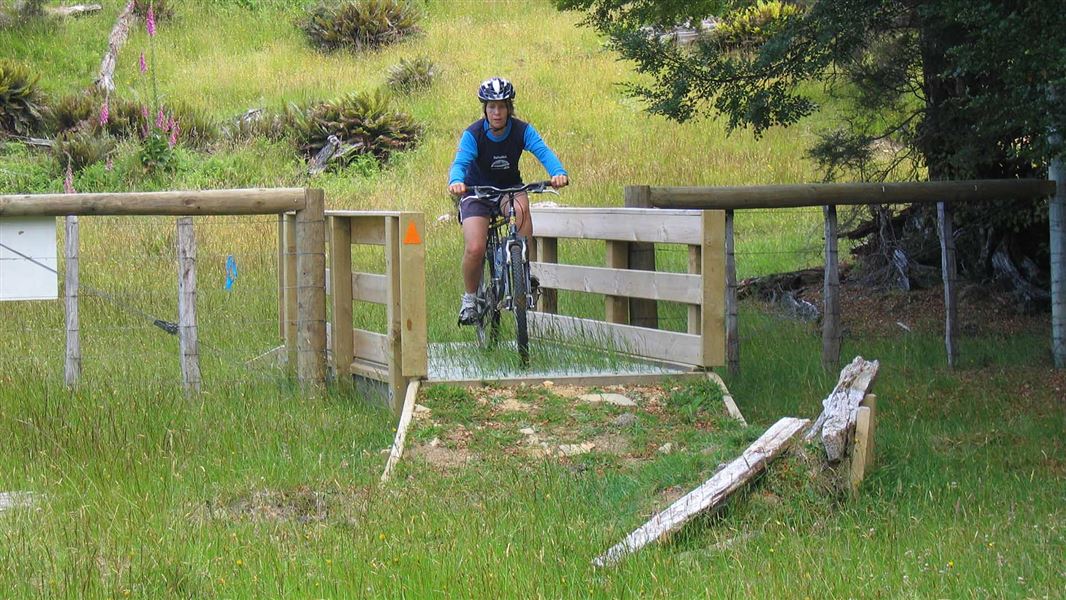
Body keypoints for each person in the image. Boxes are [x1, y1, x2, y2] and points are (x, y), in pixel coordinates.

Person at [448, 76, 569, 325]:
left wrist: (557, 172)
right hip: (476, 191)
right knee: (475, 248)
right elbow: (460, 163)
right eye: (491, 107)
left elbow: (542, 151)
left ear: (509, 108)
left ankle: (523, 270)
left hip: (509, 189)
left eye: (502, 106)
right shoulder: (473, 134)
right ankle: (470, 299)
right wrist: (457, 180)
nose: (497, 112)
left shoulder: (522, 130)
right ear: (485, 109)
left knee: (522, 211)